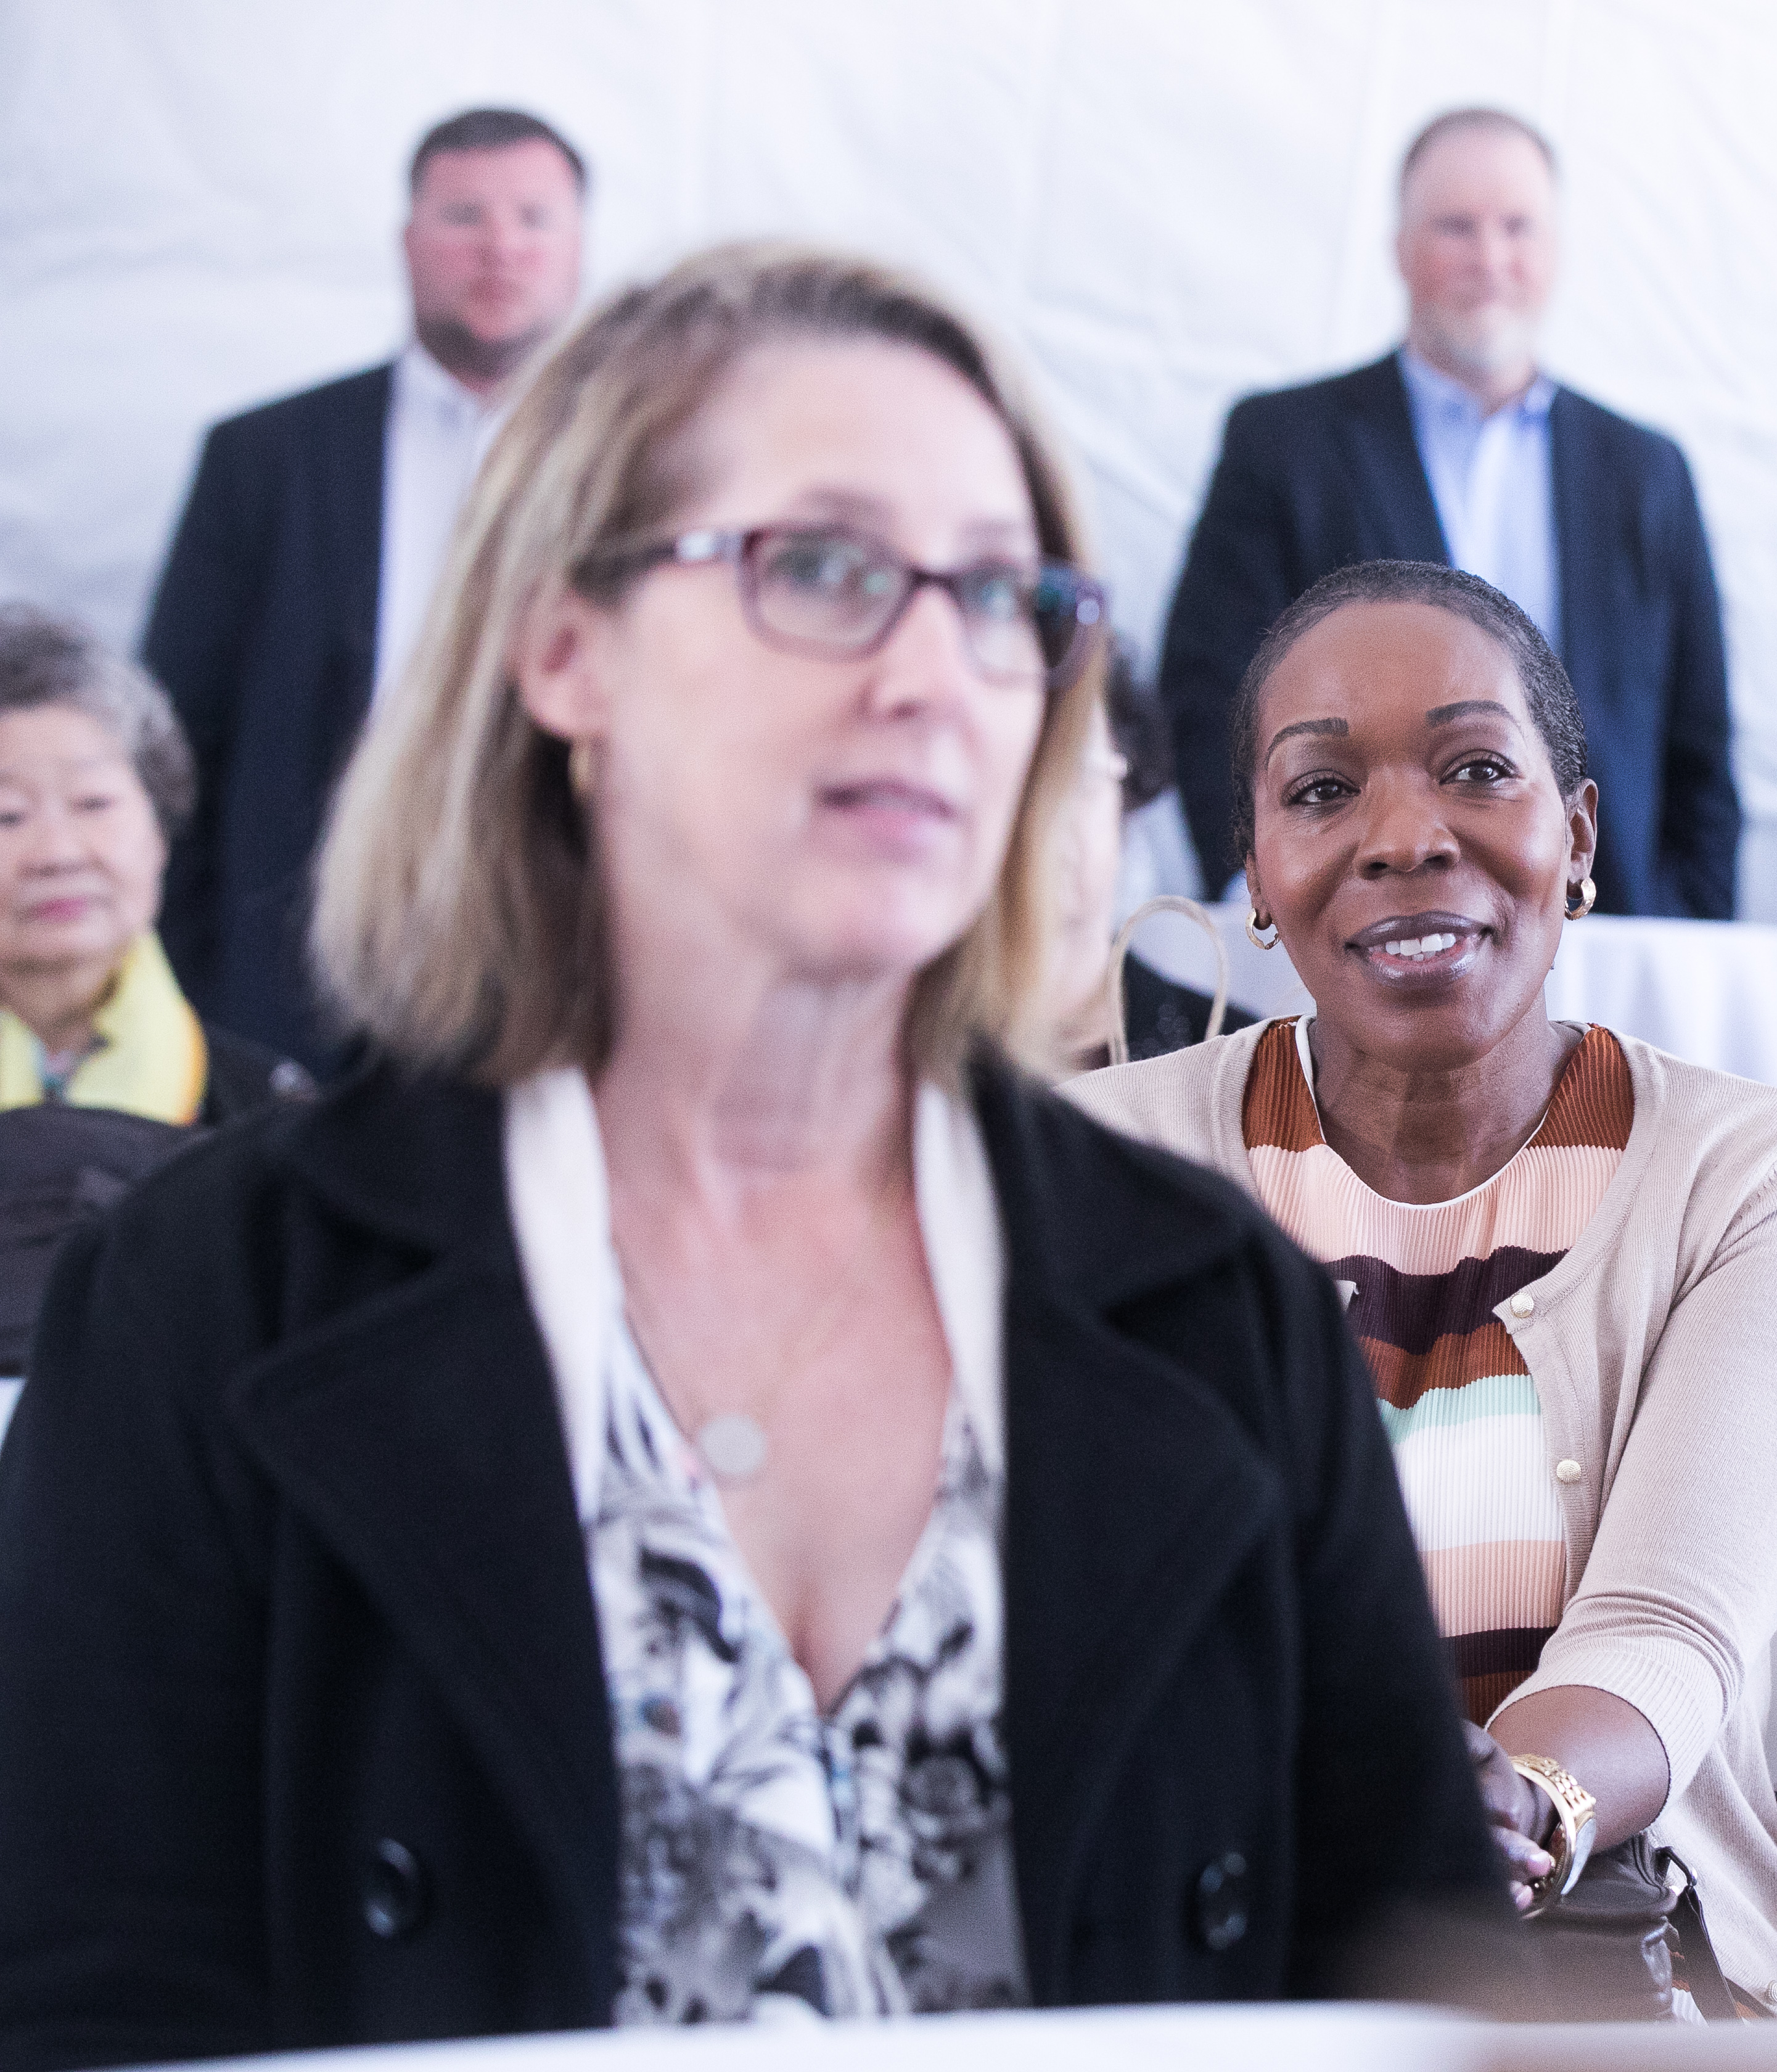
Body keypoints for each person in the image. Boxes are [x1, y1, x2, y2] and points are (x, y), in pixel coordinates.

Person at [0, 245, 1505, 2065]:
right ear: (564, 646)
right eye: (826, 569)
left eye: (1002, 597)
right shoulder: (203, 1307)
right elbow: (94, 2002)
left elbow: (1416, 1991)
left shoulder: (1214, 1299)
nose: (936, 671)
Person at [1067, 559, 1777, 2018]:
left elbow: (1670, 1633)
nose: (1403, 838)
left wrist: (1517, 1807)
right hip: (1212, 1965)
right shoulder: (1102, 1163)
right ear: (1253, 868)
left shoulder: (1762, 1176)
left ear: (1575, 836)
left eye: (1476, 770)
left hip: (1614, 1971)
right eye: (1321, 794)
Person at [1157, 108, 1737, 920]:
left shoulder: (1646, 471)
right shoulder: (1284, 445)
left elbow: (1698, 750)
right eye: (1456, 227)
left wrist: (1690, 941)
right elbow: (1208, 693)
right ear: (1399, 249)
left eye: (1517, 228)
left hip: (1611, 939)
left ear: (1557, 253)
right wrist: (1261, 894)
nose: (1489, 259)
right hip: (1357, 923)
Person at [143, 107, 588, 1072]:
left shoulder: (649, 465)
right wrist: (195, 990)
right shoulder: (264, 459)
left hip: (571, 958)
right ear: (407, 242)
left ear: (580, 248)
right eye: (464, 214)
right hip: (303, 971)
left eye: (534, 218)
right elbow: (171, 744)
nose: (500, 247)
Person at [0, 607, 307, 1124]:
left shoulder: (268, 1114)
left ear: (159, 829)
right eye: (9, 815)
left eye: (93, 803)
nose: (57, 853)